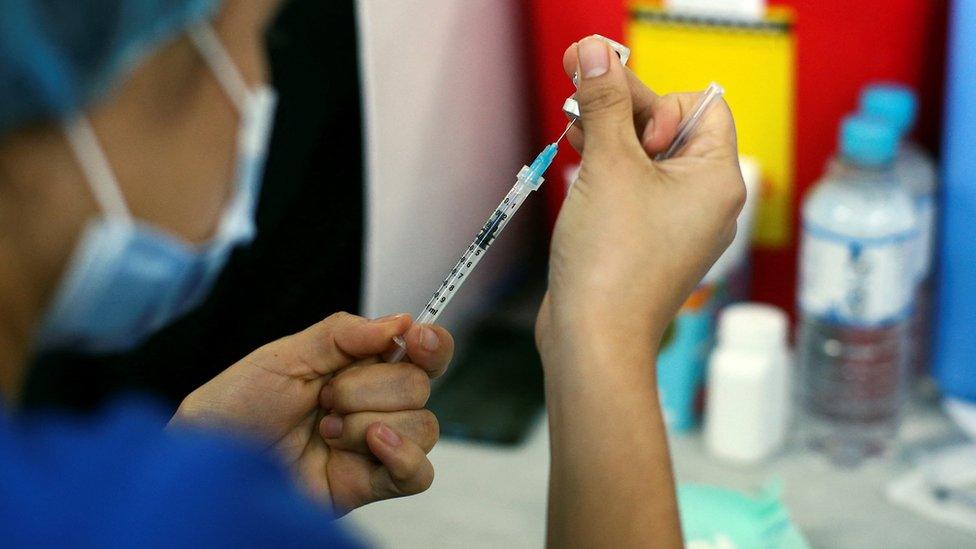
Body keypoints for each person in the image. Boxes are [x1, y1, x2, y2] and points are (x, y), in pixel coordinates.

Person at [0, 1, 743, 547]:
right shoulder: (184, 515)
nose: (259, 90)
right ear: (108, 85)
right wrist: (603, 329)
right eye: (258, 39)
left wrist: (199, 456)